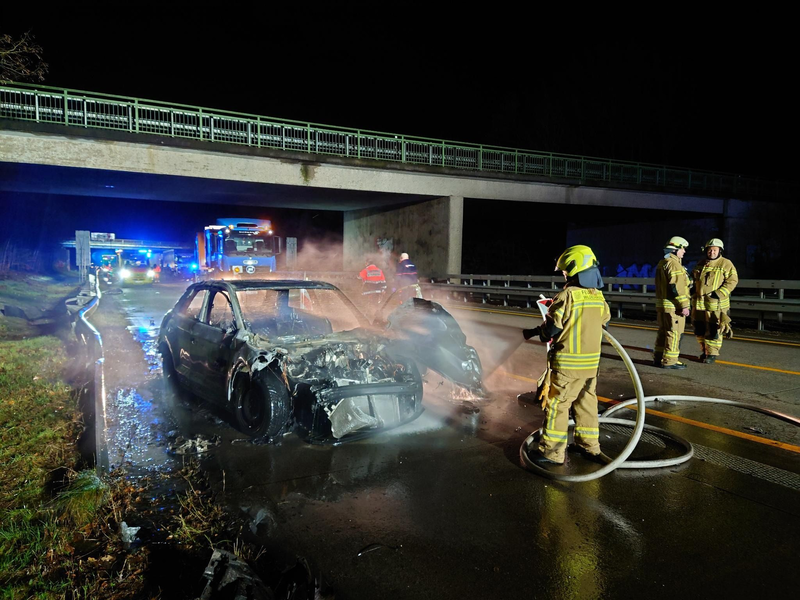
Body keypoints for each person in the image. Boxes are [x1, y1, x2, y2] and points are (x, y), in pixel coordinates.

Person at [522, 245, 611, 465]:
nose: (564, 276)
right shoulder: (598, 296)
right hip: (591, 367)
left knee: (558, 406)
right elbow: (605, 321)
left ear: (575, 271)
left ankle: (551, 453)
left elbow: (551, 330)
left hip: (568, 366)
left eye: (565, 272)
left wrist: (540, 331)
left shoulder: (566, 296)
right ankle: (589, 446)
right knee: (586, 403)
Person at [692, 238, 738, 364]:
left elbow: (732, 281)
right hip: (700, 304)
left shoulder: (726, 264)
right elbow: (694, 279)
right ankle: (705, 351)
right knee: (699, 328)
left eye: (714, 250)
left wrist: (718, 294)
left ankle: (712, 353)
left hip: (716, 305)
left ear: (720, 251)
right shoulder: (701, 263)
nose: (712, 252)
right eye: (710, 250)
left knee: (713, 329)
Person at [653, 236, 691, 369]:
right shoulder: (674, 264)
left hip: (663, 306)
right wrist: (684, 305)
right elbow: (677, 287)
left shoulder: (662, 262)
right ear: (675, 249)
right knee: (674, 333)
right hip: (673, 307)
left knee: (663, 331)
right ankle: (670, 361)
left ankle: (658, 358)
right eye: (683, 249)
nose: (684, 252)